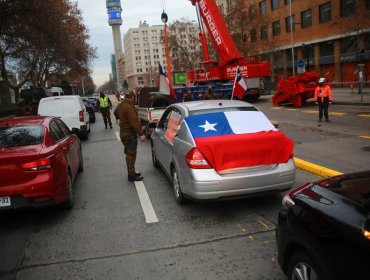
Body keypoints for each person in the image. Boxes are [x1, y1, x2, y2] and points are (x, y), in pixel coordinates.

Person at [114, 90, 146, 182]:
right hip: (129, 133)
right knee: (131, 154)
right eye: (134, 97)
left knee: (129, 153)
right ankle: (131, 175)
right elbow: (134, 122)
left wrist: (120, 119)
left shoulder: (121, 105)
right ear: (132, 97)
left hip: (123, 132)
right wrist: (141, 134)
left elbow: (115, 113)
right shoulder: (129, 107)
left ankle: (132, 172)